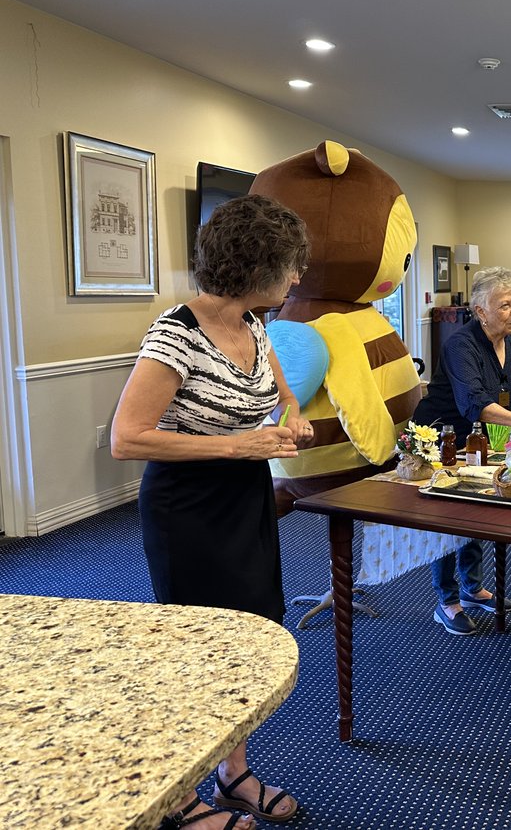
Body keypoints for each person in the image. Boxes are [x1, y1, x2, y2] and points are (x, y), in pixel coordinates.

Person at [111, 195, 309, 828]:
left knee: (247, 642)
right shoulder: (176, 333)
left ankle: (231, 772)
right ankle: (179, 799)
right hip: (187, 506)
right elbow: (126, 438)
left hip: (243, 497)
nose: (298, 278)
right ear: (258, 266)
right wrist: (236, 444)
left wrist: (291, 412)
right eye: (291, 267)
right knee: (197, 652)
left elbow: (272, 375)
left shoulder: (252, 321)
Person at [413, 267, 511, 636]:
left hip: (479, 438)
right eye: (504, 304)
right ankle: (447, 601)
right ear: (480, 311)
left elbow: (507, 396)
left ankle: (472, 589)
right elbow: (475, 402)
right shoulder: (461, 345)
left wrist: (508, 439)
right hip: (441, 439)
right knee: (446, 518)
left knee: (475, 511)